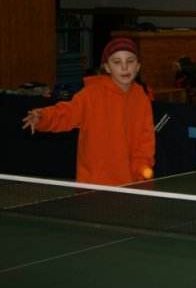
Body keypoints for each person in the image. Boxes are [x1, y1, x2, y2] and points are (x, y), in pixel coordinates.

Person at [22, 37, 155, 185]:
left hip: (130, 184)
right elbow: (66, 113)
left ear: (138, 66)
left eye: (130, 61)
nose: (124, 67)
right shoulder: (90, 95)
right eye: (117, 62)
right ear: (107, 67)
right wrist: (43, 116)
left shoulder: (142, 98)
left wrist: (142, 167)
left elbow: (146, 140)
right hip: (95, 185)